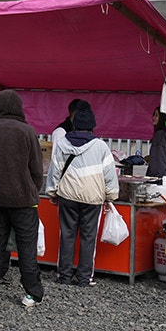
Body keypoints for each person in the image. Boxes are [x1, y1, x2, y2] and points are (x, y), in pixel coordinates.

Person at [0, 91, 45, 308]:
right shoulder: (27, 131)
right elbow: (37, 169)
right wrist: (32, 189)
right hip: (24, 201)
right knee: (27, 248)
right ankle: (31, 293)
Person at [46, 106, 118, 287]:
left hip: (67, 196)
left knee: (67, 235)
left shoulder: (63, 144)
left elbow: (55, 171)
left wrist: (52, 192)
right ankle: (84, 278)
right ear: (92, 126)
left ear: (74, 125)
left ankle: (64, 276)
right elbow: (110, 175)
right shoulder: (101, 146)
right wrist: (110, 197)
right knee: (88, 237)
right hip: (92, 199)